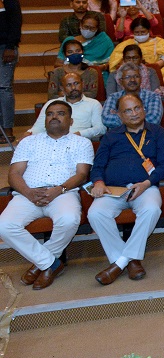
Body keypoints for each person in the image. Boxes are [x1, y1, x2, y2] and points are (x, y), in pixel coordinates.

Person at [0, 100, 93, 290]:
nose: (54, 117)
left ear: (71, 120)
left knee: (69, 219)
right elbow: (14, 174)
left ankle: (40, 263)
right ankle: (51, 263)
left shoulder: (82, 143)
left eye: (60, 113)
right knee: (4, 226)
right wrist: (28, 193)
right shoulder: (28, 141)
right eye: (50, 114)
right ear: (45, 119)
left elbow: (81, 174)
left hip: (63, 193)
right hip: (28, 193)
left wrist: (58, 190)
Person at [89, 94, 164, 285]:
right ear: (119, 115)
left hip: (145, 186)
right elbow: (98, 165)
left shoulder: (158, 132)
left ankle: (118, 264)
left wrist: (146, 183)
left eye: (137, 108)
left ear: (144, 109)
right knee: (95, 213)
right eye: (127, 110)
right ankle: (130, 260)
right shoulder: (111, 136)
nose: (134, 113)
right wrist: (98, 183)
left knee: (152, 209)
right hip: (113, 189)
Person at [30, 71, 105, 140]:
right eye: (69, 85)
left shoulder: (93, 104)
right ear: (62, 88)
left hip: (78, 142)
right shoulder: (52, 104)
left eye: (76, 83)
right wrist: (28, 134)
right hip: (51, 141)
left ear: (83, 84)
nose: (73, 88)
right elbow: (38, 128)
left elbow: (101, 128)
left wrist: (78, 134)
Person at [102, 64, 164, 129]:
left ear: (141, 79)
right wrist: (141, 115)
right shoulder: (114, 97)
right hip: (119, 136)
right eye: (127, 77)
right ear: (120, 81)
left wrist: (120, 115)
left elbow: (153, 119)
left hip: (147, 136)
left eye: (136, 76)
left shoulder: (152, 96)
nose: (132, 80)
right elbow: (106, 119)